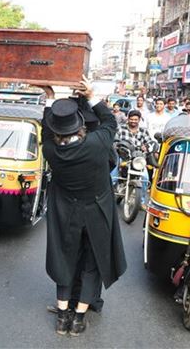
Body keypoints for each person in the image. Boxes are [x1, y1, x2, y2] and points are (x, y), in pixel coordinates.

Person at [41, 76, 126, 337]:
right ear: (80, 127)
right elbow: (111, 121)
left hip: (67, 213)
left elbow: (45, 129)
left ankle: (62, 315)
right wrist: (91, 95)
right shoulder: (97, 144)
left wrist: (50, 99)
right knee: (92, 263)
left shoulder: (51, 151)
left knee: (65, 260)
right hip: (97, 214)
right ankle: (78, 318)